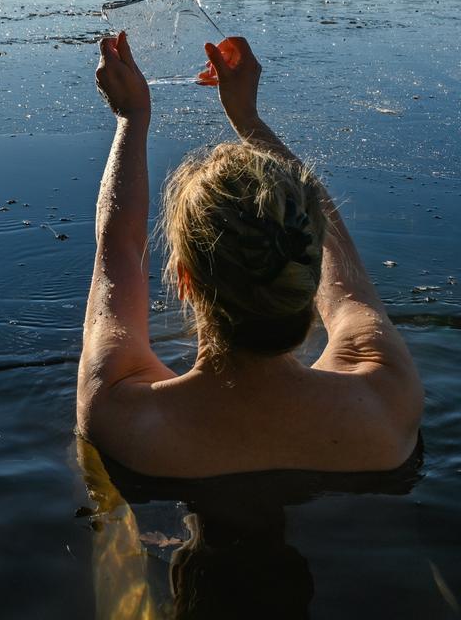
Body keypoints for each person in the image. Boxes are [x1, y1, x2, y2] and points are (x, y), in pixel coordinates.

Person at [77, 32, 423, 478]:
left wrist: (131, 118)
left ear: (185, 279)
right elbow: (341, 263)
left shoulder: (122, 414)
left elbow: (118, 247)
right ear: (309, 270)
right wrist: (247, 118)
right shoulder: (387, 399)